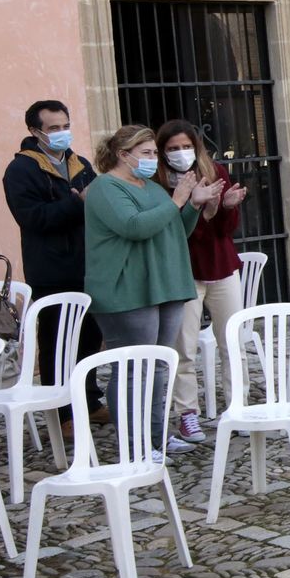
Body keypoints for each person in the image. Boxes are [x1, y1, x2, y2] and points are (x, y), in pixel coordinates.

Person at [83, 125, 222, 448]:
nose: (152, 159)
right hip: (127, 289)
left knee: (160, 365)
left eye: (153, 153)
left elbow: (175, 230)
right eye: (145, 153)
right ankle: (136, 444)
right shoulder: (105, 188)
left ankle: (157, 437)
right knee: (133, 368)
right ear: (123, 154)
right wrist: (177, 200)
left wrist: (193, 206)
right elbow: (134, 226)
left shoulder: (152, 188)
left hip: (163, 284)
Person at [1, 99, 107, 436]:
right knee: (58, 341)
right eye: (54, 128)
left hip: (87, 265)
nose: (62, 133)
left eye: (65, 126)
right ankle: (61, 414)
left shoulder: (80, 164)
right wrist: (76, 203)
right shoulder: (21, 170)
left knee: (89, 337)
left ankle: (89, 401)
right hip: (50, 269)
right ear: (35, 131)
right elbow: (32, 218)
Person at [154, 120, 249, 445]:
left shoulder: (214, 171)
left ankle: (238, 407)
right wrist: (196, 207)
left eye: (186, 147)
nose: (181, 153)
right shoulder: (159, 183)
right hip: (184, 272)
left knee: (232, 341)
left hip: (221, 266)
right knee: (184, 347)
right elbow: (172, 233)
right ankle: (187, 413)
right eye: (173, 148)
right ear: (163, 152)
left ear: (196, 147)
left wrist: (226, 208)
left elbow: (226, 230)